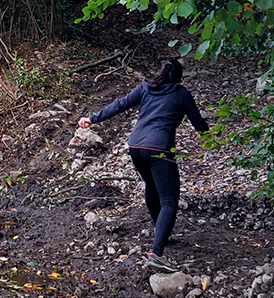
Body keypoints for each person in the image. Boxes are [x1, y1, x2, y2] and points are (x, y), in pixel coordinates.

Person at [77, 57, 209, 273]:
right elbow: (199, 124)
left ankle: (160, 232)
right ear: (179, 77)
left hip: (136, 147)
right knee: (169, 201)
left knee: (152, 186)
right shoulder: (181, 94)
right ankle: (157, 254)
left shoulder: (146, 87)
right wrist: (211, 134)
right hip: (159, 149)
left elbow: (120, 104)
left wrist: (92, 118)